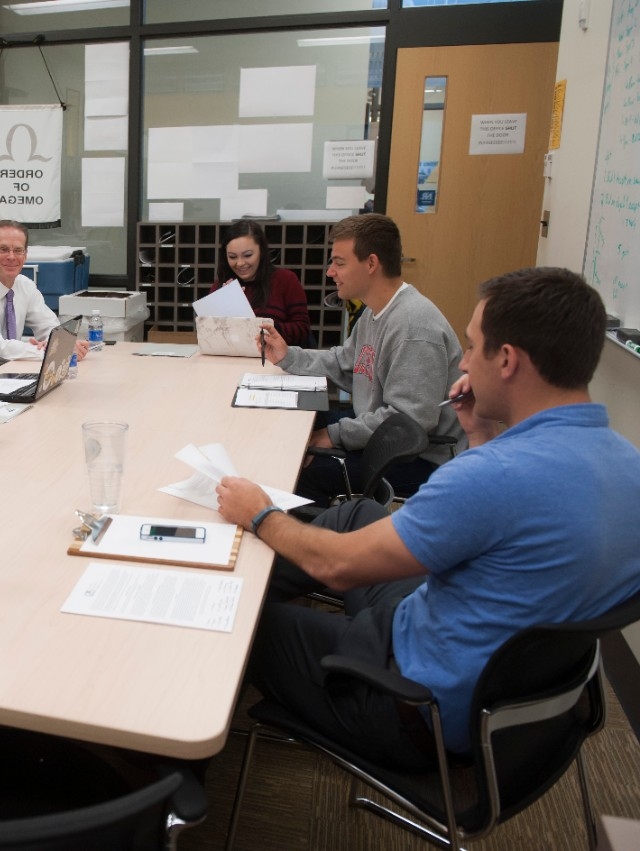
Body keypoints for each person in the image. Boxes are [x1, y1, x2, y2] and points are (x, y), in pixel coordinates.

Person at [217, 267, 640, 768]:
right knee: (358, 513)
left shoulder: (492, 477)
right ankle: (243, 561)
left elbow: (340, 567)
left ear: (506, 361)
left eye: (471, 345)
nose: (461, 360)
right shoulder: (627, 465)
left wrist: (261, 513)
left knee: (239, 625)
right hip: (498, 688)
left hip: (412, 704)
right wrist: (479, 434)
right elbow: (497, 539)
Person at [257, 214, 464, 504]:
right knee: (297, 424)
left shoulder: (414, 327)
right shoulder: (375, 311)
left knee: (299, 473)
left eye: (339, 263)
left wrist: (333, 435)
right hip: (382, 431)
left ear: (371, 264)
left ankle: (316, 545)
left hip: (419, 458)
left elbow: (407, 422)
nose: (330, 272)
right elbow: (346, 363)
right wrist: (288, 355)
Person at [0, 220, 91, 374]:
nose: (11, 256)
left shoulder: (25, 286)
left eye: (18, 250)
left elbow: (49, 327)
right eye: (3, 249)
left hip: (13, 368)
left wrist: (61, 344)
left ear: (25, 255)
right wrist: (55, 351)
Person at [214, 219, 312, 346]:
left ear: (261, 252)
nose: (240, 263)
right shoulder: (221, 286)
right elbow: (208, 333)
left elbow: (302, 329)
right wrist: (222, 308)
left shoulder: (285, 280)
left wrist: (264, 327)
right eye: (232, 257)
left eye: (248, 255)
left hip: (275, 359)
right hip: (232, 359)